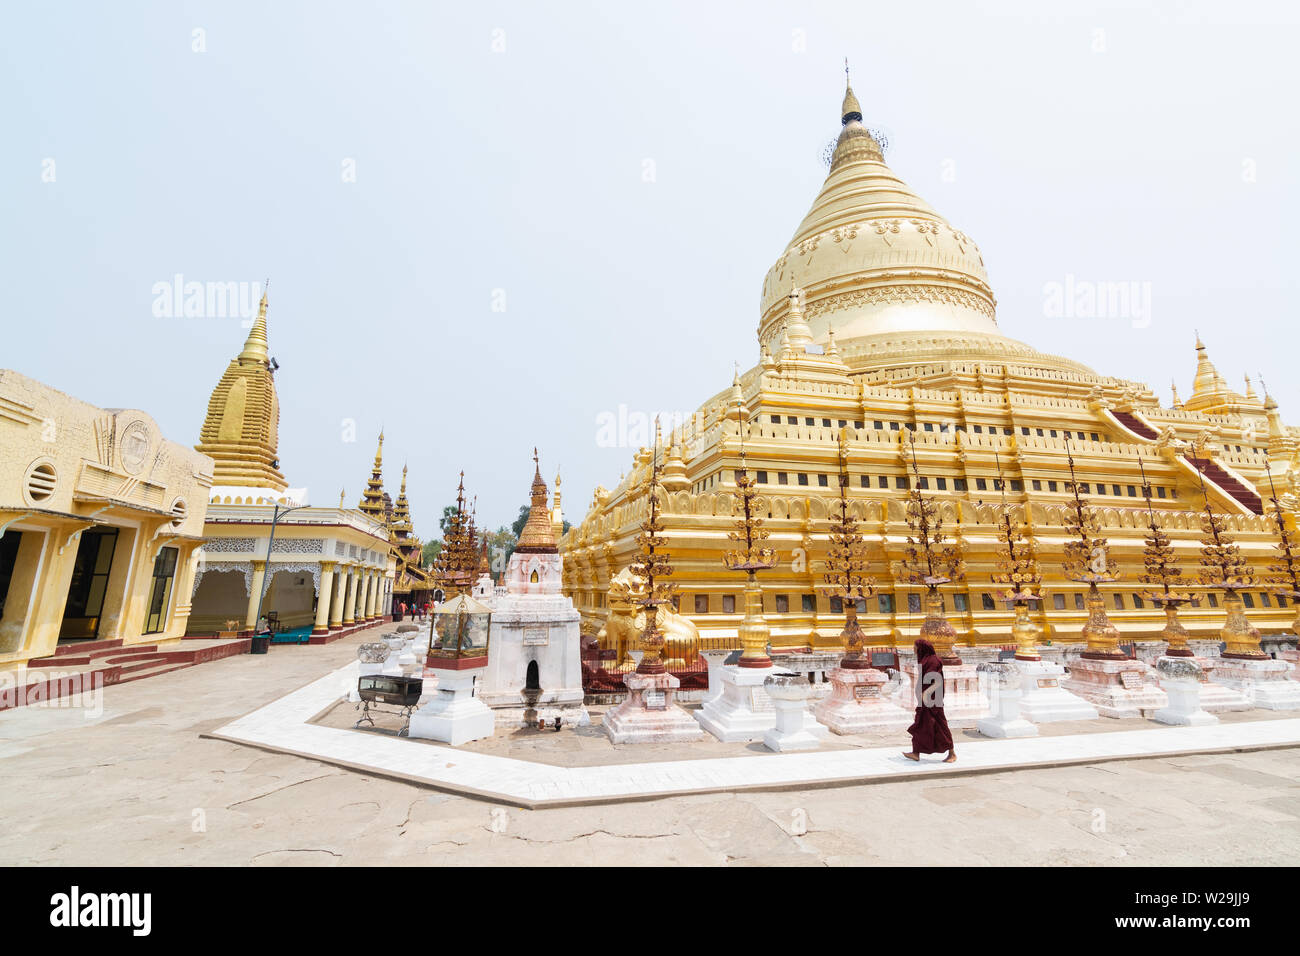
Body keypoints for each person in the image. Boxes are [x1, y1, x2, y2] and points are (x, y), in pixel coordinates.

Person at [903, 638, 956, 763]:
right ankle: (916, 752)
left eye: (915, 646)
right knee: (921, 724)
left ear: (921, 647)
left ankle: (952, 753)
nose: (913, 649)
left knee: (940, 725)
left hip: (933, 699)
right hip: (925, 699)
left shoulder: (933, 660)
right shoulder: (924, 660)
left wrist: (926, 693)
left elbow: (936, 680)